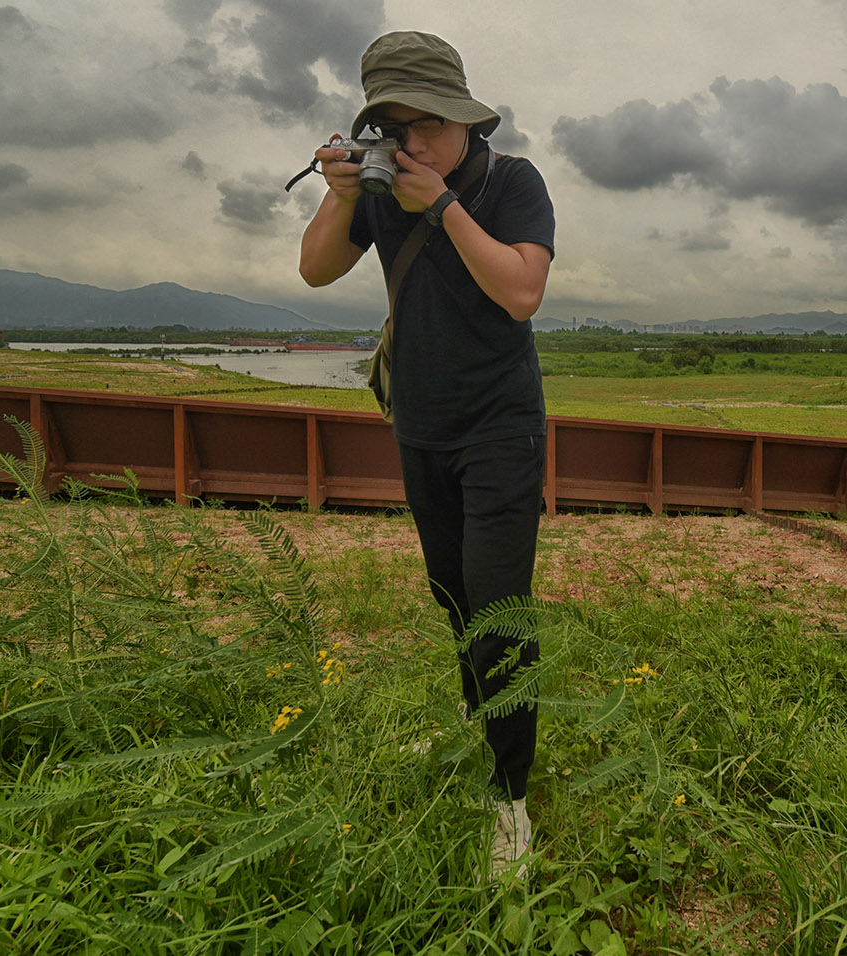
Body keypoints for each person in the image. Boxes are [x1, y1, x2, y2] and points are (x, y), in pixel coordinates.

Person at [298, 30, 554, 878]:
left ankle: (510, 794)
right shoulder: (377, 187)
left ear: (462, 119)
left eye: (425, 123)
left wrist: (441, 205)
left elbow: (521, 291)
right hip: (421, 425)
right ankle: (479, 728)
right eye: (390, 127)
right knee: (452, 596)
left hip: (501, 427)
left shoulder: (512, 182)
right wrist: (341, 196)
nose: (409, 143)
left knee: (499, 607)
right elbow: (315, 273)